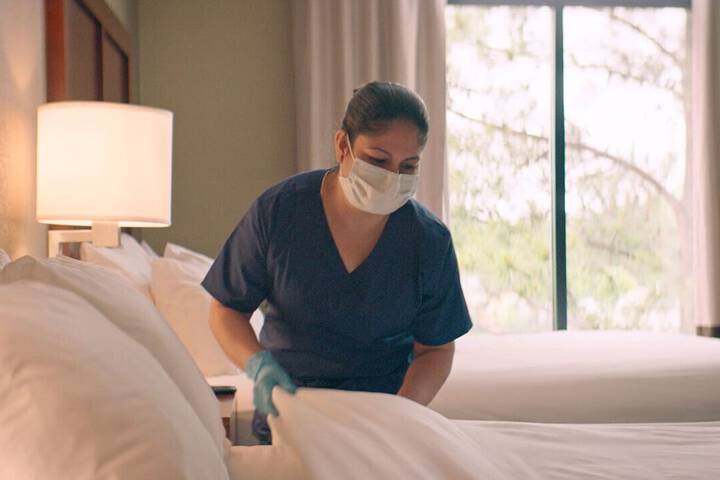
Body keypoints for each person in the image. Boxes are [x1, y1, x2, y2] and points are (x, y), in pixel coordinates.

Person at [202, 81, 472, 444]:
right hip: (291, 414)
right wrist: (258, 364)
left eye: (408, 166)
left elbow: (436, 349)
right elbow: (226, 309)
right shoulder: (280, 212)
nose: (392, 178)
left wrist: (403, 411)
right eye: (378, 160)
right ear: (343, 145)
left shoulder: (428, 240)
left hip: (382, 424)